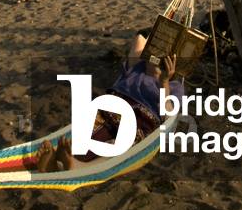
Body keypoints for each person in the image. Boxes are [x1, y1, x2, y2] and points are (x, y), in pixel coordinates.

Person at [36, 35, 181, 172]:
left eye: (164, 57)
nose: (158, 58)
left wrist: (164, 80)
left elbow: (169, 118)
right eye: (155, 51)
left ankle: (75, 165)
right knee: (86, 133)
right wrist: (160, 35)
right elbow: (139, 39)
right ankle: (57, 162)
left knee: (121, 145)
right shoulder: (136, 68)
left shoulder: (174, 86)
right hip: (109, 110)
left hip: (138, 122)